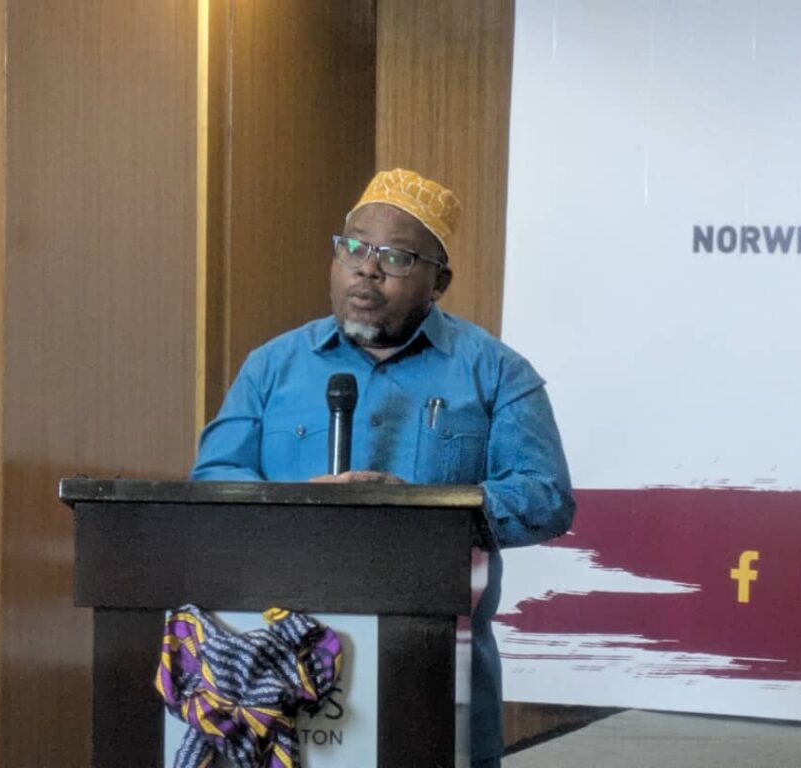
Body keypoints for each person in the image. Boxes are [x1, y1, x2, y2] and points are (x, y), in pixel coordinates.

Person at [191, 168, 575, 767]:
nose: (367, 270)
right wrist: (299, 501)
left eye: (396, 257)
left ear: (439, 281)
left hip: (433, 665)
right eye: (353, 248)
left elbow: (546, 497)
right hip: (283, 661)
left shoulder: (496, 372)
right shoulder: (272, 366)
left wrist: (424, 510)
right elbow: (212, 480)